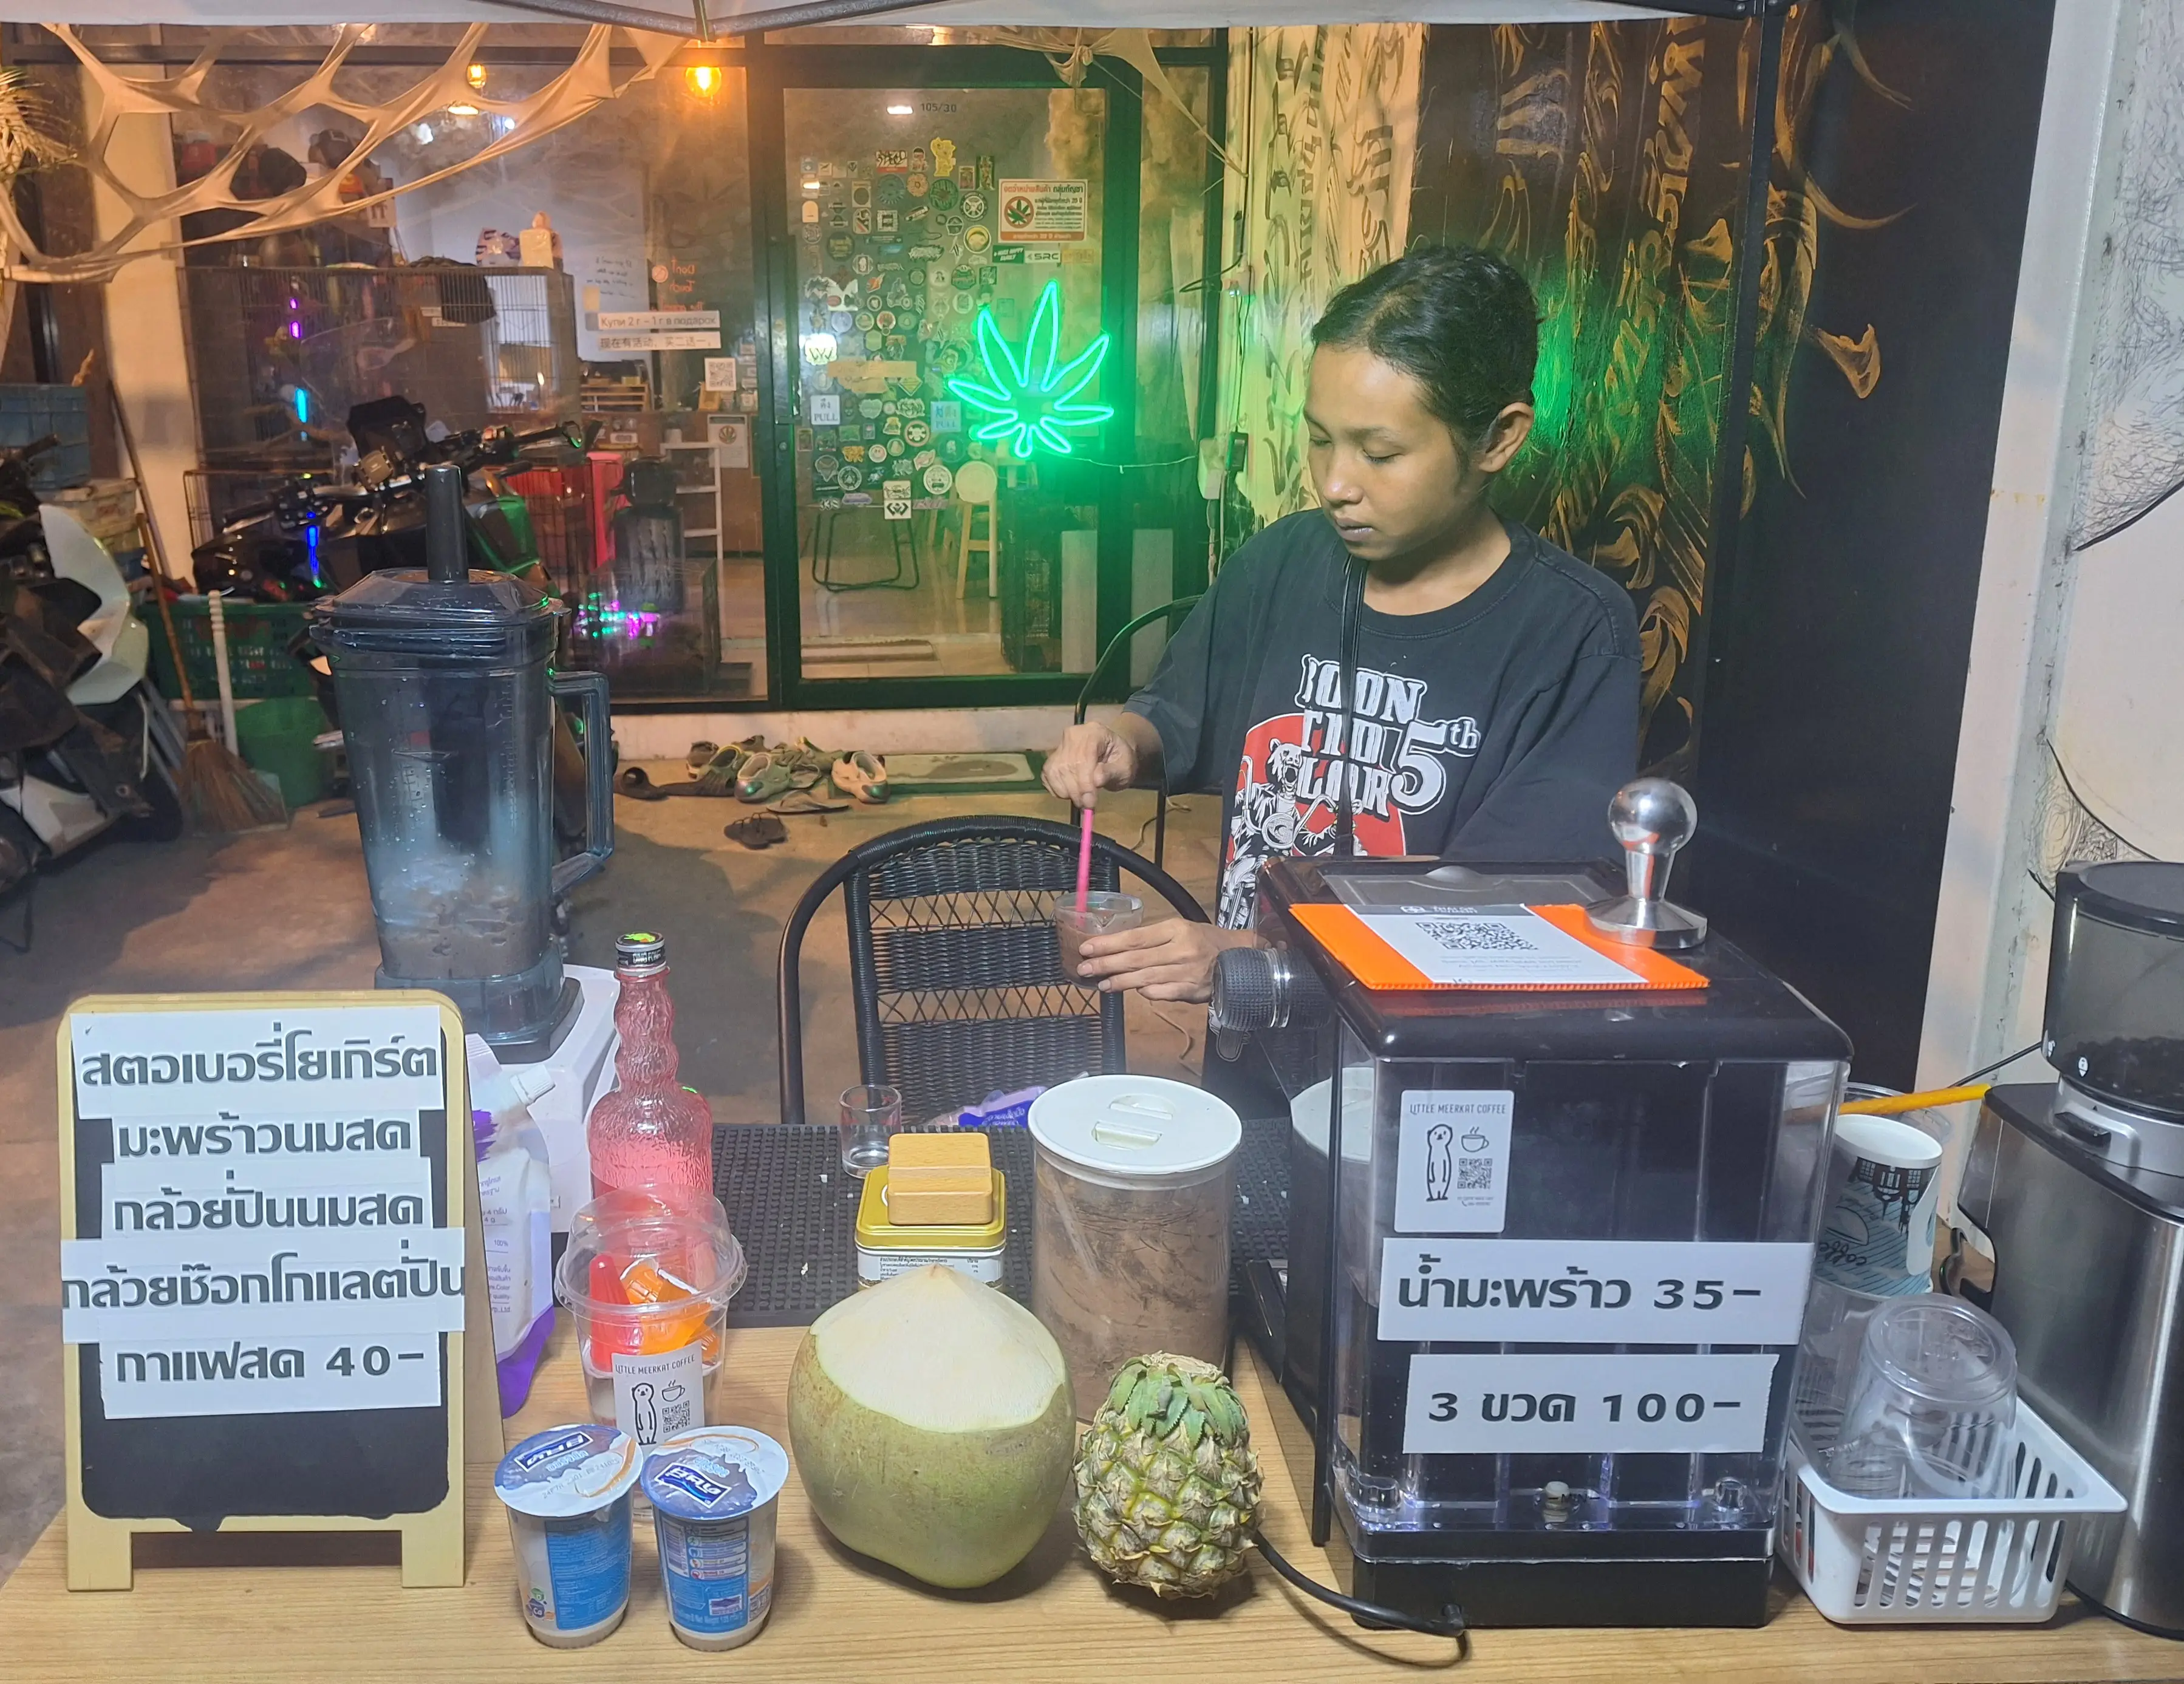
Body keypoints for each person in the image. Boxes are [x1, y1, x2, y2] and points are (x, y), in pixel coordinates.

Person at [1043, 244, 1640, 1004]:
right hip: (1254, 1038)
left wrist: (1263, 956)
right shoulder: (1282, 560)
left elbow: (1513, 918)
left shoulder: (1572, 631)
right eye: (1320, 437)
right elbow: (1181, 712)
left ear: (1497, 438)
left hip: (1421, 1066)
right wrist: (1123, 744)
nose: (1332, 483)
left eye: (1379, 453)